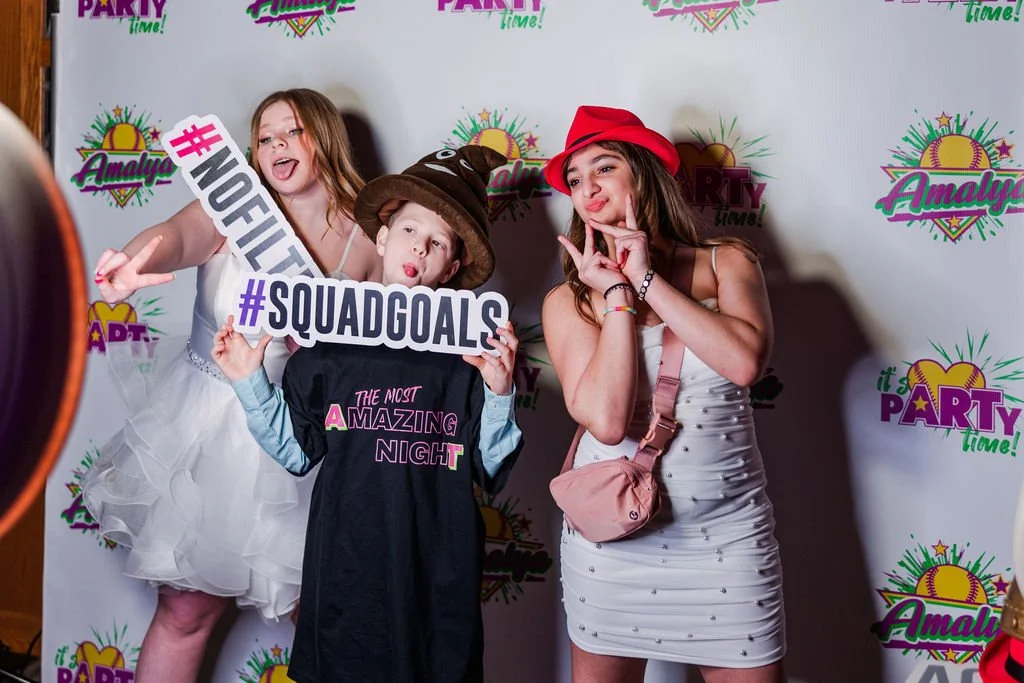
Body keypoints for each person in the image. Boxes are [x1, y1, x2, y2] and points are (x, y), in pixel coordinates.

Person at [80, 88, 380, 683]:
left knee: (324, 619)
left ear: (324, 139)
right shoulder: (233, 208)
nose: (275, 146)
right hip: (209, 428)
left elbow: (378, 350)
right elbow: (173, 235)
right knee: (186, 610)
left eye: (291, 132)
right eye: (264, 137)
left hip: (301, 439)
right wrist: (134, 262)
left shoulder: (368, 239)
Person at [210, 144, 525, 682]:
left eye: (437, 242)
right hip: (347, 569)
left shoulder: (469, 358)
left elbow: (490, 469)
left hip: (436, 572)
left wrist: (499, 392)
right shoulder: (330, 346)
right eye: (408, 230)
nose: (418, 249)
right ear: (381, 237)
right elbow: (296, 452)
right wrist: (247, 381)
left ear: (452, 266)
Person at [541, 105, 786, 682]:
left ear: (644, 173)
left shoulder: (728, 262)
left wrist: (650, 278)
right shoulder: (572, 300)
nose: (587, 188)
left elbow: (745, 361)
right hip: (611, 551)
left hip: (729, 545)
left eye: (603, 168)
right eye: (575, 179)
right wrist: (620, 297)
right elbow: (605, 420)